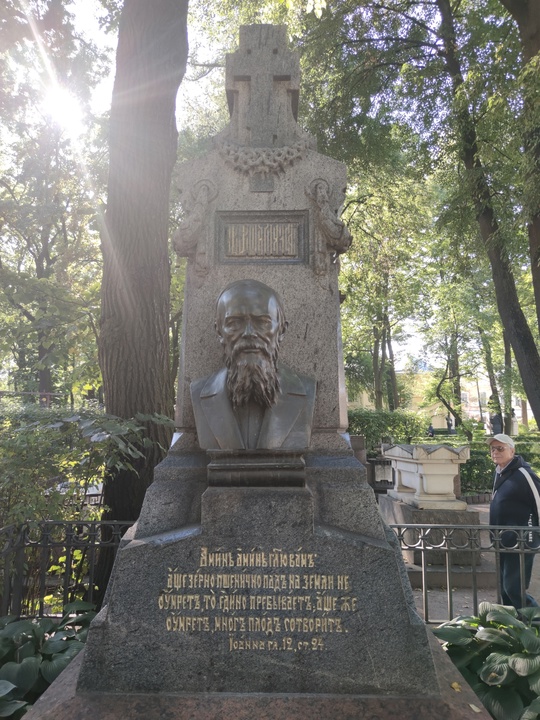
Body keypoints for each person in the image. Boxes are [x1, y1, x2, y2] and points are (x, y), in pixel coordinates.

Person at [190, 279, 316, 450]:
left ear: (281, 330)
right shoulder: (199, 391)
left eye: (263, 322)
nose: (249, 333)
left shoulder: (306, 389)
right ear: (219, 332)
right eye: (234, 323)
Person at [488, 433, 540, 609]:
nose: (495, 452)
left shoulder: (524, 474)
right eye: (492, 449)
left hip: (522, 540)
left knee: (513, 588)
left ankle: (535, 621)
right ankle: (514, 624)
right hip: (503, 539)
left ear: (512, 450)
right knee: (505, 589)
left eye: (500, 448)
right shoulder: (499, 472)